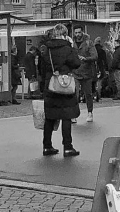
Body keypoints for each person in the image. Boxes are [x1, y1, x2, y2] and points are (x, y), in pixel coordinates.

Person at [41, 23, 81, 157]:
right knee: (66, 116)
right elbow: (76, 63)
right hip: (64, 85)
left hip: (51, 84)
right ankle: (68, 147)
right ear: (65, 34)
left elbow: (42, 67)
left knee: (50, 117)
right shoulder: (67, 48)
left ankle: (47, 146)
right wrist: (72, 47)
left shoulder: (47, 48)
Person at [72, 25, 98, 123]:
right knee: (74, 94)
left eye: (79, 32)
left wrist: (86, 59)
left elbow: (95, 56)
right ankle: (73, 114)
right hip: (75, 72)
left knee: (88, 94)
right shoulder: (72, 44)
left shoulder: (88, 43)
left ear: (82, 32)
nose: (77, 34)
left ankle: (90, 112)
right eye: (76, 32)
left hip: (87, 72)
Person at [94, 36, 108, 102]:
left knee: (93, 82)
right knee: (99, 82)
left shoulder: (92, 49)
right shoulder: (102, 51)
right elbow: (105, 60)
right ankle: (98, 95)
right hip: (100, 68)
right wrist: (106, 68)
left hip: (93, 68)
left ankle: (93, 95)